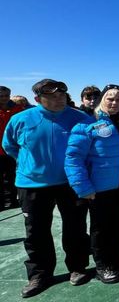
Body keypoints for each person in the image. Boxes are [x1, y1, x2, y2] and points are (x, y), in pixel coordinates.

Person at [3, 79, 93, 297]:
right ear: (37, 99)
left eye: (62, 94)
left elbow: (92, 146)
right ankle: (40, 274)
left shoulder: (80, 118)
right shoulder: (20, 119)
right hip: (32, 185)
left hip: (70, 183)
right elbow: (10, 146)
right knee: (36, 231)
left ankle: (78, 268)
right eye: (52, 95)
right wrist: (32, 167)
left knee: (76, 227)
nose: (59, 98)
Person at [65, 84, 119, 285]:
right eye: (110, 98)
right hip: (99, 188)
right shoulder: (87, 126)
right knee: (101, 228)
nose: (114, 103)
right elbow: (73, 158)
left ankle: (116, 260)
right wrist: (82, 186)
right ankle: (103, 265)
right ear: (102, 100)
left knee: (118, 224)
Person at [1, 85, 23, 210]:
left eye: (6, 96)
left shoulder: (18, 110)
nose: (4, 98)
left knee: (11, 176)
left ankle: (12, 201)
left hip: (12, 149)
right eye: (1, 96)